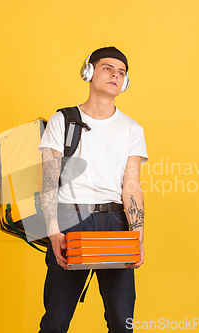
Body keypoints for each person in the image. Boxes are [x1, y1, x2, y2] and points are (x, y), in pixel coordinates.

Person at [37, 46, 149, 333]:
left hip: (115, 224)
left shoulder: (132, 129)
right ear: (89, 72)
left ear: (125, 83)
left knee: (122, 322)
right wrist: (52, 230)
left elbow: (132, 186)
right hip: (70, 221)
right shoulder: (62, 120)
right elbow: (48, 181)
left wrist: (137, 235)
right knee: (56, 321)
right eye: (107, 68)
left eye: (121, 72)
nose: (115, 75)